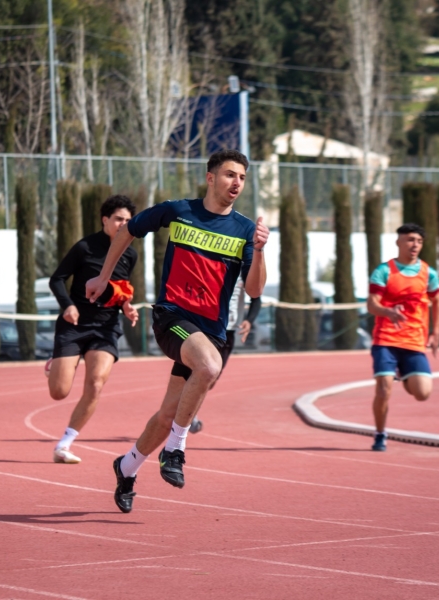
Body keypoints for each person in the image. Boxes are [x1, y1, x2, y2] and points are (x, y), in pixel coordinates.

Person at [85, 149, 268, 513]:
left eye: (243, 178)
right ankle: (175, 450)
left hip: (210, 330)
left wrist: (260, 251)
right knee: (210, 367)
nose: (237, 183)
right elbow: (128, 231)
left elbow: (255, 290)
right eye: (230, 175)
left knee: (170, 411)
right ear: (210, 177)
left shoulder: (246, 230)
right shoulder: (178, 210)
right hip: (172, 317)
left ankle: (127, 466)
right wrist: (105, 276)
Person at [45, 195, 139, 464]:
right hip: (74, 324)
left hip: (106, 327)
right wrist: (67, 306)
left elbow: (120, 292)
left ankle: (64, 444)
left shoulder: (130, 254)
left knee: (96, 384)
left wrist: (127, 308)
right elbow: (57, 279)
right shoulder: (85, 247)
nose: (123, 224)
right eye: (119, 218)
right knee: (59, 392)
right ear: (105, 220)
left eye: (128, 221)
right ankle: (57, 363)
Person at [366, 223, 439, 452]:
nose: (414, 245)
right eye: (410, 240)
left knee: (422, 393)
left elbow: (437, 301)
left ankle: (404, 373)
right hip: (386, 339)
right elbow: (371, 304)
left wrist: (436, 332)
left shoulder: (428, 273)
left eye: (418, 241)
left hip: (414, 340)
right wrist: (387, 312)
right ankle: (380, 434)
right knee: (383, 390)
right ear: (398, 242)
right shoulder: (384, 270)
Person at [188, 279, 261, 434]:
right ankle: (185, 416)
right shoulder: (215, 261)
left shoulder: (246, 269)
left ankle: (187, 411)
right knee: (201, 372)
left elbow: (256, 297)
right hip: (207, 328)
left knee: (211, 379)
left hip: (229, 332)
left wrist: (249, 320)